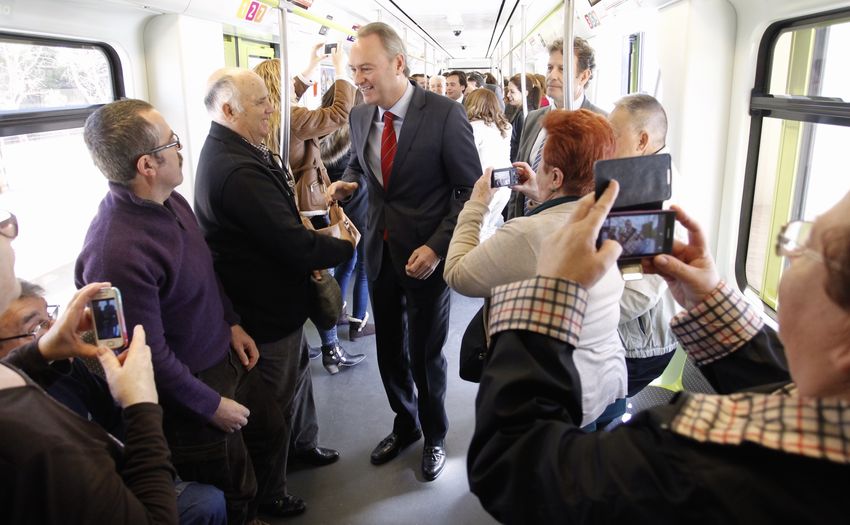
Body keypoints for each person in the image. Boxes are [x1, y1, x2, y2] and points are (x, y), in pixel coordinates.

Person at [469, 180, 850, 522]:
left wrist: (552, 292)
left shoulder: (702, 464)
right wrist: (713, 300)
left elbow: (514, 467)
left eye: (807, 245)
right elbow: (788, 389)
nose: (793, 255)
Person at [76, 99, 290, 523]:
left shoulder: (173, 202)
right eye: (172, 142)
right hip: (189, 382)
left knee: (270, 432)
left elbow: (204, 271)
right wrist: (209, 404)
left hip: (224, 353)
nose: (181, 148)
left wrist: (230, 321)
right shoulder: (116, 253)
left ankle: (269, 504)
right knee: (232, 481)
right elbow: (143, 356)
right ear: (147, 166)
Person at [194, 68, 355, 507]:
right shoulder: (235, 169)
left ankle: (303, 446)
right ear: (229, 110)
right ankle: (272, 491)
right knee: (276, 403)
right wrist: (342, 246)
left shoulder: (246, 149)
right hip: (263, 308)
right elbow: (290, 242)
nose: (272, 108)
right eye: (262, 102)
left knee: (299, 378)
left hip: (281, 302)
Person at [328, 22, 480, 481]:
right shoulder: (359, 115)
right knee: (390, 351)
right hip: (379, 250)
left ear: (398, 63)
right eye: (354, 70)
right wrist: (349, 180)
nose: (359, 79)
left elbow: (467, 191)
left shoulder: (445, 114)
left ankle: (434, 434)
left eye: (367, 68)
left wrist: (437, 248)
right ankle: (406, 423)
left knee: (425, 353)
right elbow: (361, 163)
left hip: (425, 257)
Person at [444, 109, 625, 427]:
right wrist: (542, 193)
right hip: (604, 379)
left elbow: (458, 274)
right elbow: (566, 211)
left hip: (556, 398)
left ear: (556, 177)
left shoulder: (526, 234)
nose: (536, 170)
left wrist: (476, 204)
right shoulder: (611, 220)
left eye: (542, 166)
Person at [0, 279, 228, 524]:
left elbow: (113, 417)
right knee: (208, 503)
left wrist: (41, 350)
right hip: (116, 490)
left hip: (124, 462)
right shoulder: (29, 439)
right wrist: (141, 404)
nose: (54, 329)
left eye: (50, 315)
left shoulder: (61, 366)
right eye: (37, 327)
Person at [0, 208, 176, 523]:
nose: (9, 230)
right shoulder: (38, 446)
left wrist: (40, 353)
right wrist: (141, 405)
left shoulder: (45, 368)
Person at [253, 50, 365, 374]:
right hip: (310, 206)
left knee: (302, 280)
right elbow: (341, 112)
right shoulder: (294, 119)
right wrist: (341, 70)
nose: (294, 84)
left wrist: (312, 64)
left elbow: (291, 90)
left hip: (291, 204)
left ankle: (305, 344)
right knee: (321, 280)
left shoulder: (272, 118)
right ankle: (332, 349)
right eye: (288, 81)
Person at [507, 37, 606, 219]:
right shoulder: (534, 118)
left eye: (562, 69)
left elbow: (596, 193)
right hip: (525, 227)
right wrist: (512, 221)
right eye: (550, 67)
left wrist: (542, 198)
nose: (552, 75)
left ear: (584, 76)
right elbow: (519, 180)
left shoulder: (600, 124)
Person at [319, 87, 376, 342]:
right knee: (364, 267)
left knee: (346, 263)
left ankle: (337, 313)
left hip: (335, 211)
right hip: (361, 208)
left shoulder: (317, 133)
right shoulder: (360, 135)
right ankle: (358, 322)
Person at [463, 88, 512, 240]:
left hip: (484, 184)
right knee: (491, 227)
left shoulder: (472, 128)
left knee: (476, 229)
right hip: (504, 183)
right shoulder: (505, 127)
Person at [504, 74, 542, 162]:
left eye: (512, 92)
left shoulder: (524, 115)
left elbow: (523, 146)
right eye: (508, 91)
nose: (508, 94)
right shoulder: (517, 111)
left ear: (525, 93)